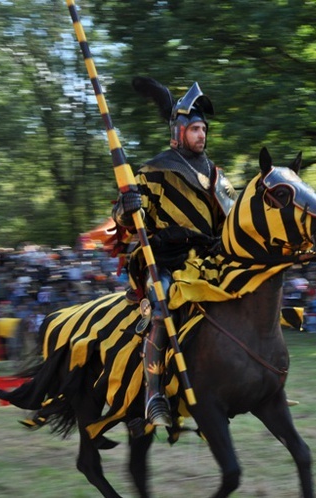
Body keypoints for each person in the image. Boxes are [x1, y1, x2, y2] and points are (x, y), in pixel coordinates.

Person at [112, 77, 236, 428]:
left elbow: (234, 219)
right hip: (167, 260)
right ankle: (154, 392)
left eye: (204, 129)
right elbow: (125, 218)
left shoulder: (216, 174)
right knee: (162, 301)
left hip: (209, 259)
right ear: (180, 130)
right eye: (195, 128)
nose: (202, 135)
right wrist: (127, 204)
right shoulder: (155, 170)